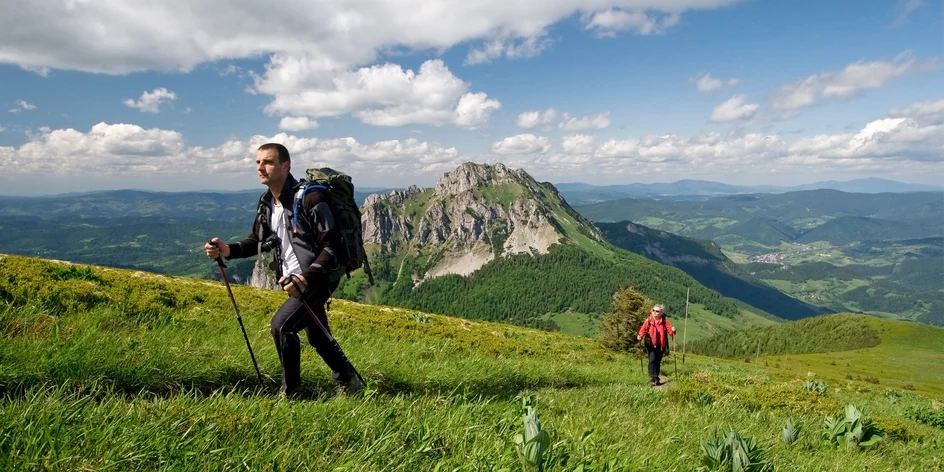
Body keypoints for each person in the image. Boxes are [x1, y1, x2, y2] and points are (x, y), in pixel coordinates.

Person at [204, 142, 363, 398]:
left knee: (282, 326)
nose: (260, 168)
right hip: (294, 279)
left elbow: (332, 248)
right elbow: (257, 241)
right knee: (317, 334)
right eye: (257, 162)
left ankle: (291, 393)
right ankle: (349, 381)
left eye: (267, 162)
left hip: (315, 278)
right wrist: (227, 250)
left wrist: (304, 278)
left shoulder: (311, 198)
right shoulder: (267, 201)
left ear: (285, 165)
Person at [637, 304, 676, 386]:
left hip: (661, 345)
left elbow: (670, 332)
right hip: (650, 344)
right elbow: (642, 330)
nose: (654, 312)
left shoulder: (665, 321)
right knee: (652, 360)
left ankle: (656, 377)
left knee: (657, 361)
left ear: (661, 312)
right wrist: (640, 335)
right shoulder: (648, 320)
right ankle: (652, 378)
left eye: (657, 311)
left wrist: (673, 331)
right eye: (653, 310)